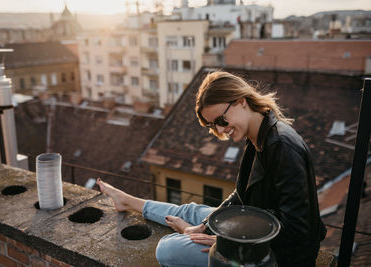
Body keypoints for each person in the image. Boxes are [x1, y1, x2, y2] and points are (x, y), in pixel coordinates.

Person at [96, 71, 326, 267]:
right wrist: (206, 227)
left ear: (240, 101)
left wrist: (226, 242)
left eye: (221, 121)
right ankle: (127, 201)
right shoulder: (259, 134)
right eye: (213, 126)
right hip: (253, 223)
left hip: (272, 255)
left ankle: (188, 230)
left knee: (166, 249)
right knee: (191, 211)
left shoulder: (282, 147)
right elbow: (240, 195)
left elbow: (297, 229)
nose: (221, 130)